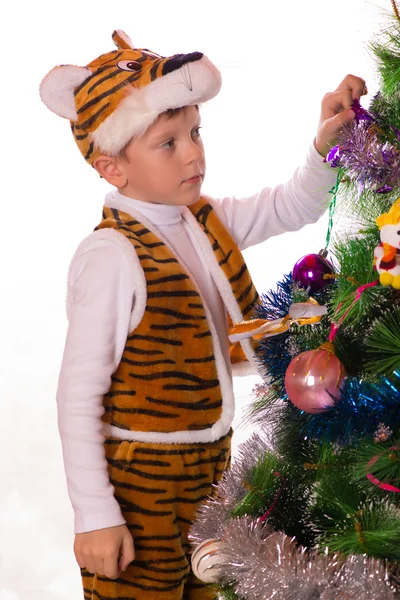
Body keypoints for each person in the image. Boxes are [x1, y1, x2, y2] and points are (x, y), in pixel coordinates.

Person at [40, 29, 367, 600]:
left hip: (208, 465)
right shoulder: (111, 256)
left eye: (194, 132)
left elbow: (289, 205)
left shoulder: (199, 216)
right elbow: (77, 394)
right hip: (140, 483)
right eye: (168, 143)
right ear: (113, 168)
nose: (193, 152)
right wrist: (95, 513)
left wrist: (323, 148)